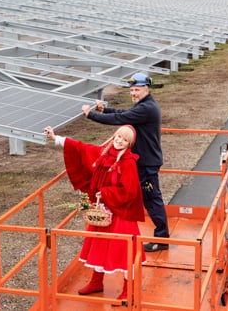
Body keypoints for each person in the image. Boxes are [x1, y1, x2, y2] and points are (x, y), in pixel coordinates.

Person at [44, 124, 146, 303]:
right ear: (114, 136)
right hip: (104, 212)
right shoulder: (105, 152)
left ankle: (128, 290)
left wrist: (106, 193)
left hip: (121, 213)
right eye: (118, 137)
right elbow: (82, 148)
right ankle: (96, 282)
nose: (119, 141)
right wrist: (56, 138)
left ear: (129, 144)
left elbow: (130, 192)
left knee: (124, 251)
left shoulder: (128, 163)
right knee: (99, 245)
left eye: (124, 139)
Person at [81, 72, 169, 252]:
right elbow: (125, 113)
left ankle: (162, 239)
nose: (133, 93)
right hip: (143, 162)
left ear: (146, 89)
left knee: (151, 199)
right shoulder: (145, 105)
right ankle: (125, 231)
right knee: (135, 195)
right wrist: (105, 110)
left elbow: (120, 119)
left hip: (146, 165)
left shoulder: (147, 108)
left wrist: (91, 115)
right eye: (132, 90)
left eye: (137, 90)